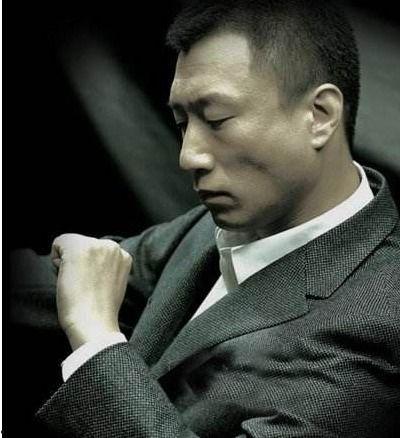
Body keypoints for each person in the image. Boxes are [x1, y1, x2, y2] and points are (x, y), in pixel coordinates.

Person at [10, 0, 400, 436]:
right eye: (182, 123)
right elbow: (84, 279)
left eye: (216, 119)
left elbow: (91, 312)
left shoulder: (380, 324)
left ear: (320, 115)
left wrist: (96, 341)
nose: (188, 156)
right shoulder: (218, 225)